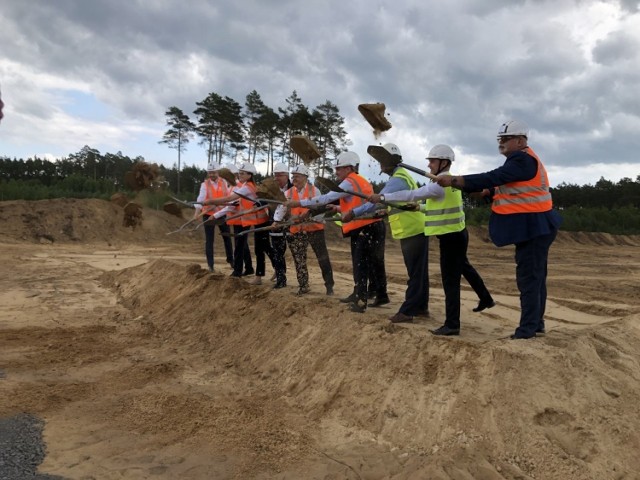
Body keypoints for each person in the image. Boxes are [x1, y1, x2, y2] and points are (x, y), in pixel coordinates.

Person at [437, 120, 561, 339]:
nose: (501, 143)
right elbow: (506, 186)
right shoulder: (522, 161)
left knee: (529, 278)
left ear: (521, 141)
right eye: (500, 139)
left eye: (506, 139)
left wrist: (457, 181)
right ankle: (536, 323)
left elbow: (494, 176)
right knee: (536, 276)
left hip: (535, 226)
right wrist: (487, 193)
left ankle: (527, 330)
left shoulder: (521, 159)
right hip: (537, 225)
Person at [370, 144, 494, 336]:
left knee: (450, 281)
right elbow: (434, 206)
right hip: (457, 234)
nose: (429, 165)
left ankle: (452, 324)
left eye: (432, 161)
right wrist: (418, 208)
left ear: (444, 163)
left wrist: (384, 196)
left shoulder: (439, 185)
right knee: (464, 268)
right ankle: (485, 298)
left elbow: (412, 194)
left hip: (451, 238)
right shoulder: (451, 183)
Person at [287, 151, 387, 313]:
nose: (336, 172)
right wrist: (339, 208)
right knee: (363, 263)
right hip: (366, 225)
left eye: (338, 169)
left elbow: (326, 198)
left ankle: (361, 300)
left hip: (364, 226)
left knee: (360, 264)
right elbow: (355, 203)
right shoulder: (358, 181)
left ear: (348, 168)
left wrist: (299, 203)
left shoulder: (349, 181)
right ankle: (359, 293)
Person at [345, 143, 428, 323]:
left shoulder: (397, 178)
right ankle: (422, 307)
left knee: (415, 273)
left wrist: (354, 212)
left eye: (383, 161)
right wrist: (387, 211)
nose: (381, 166)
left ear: (392, 161)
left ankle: (408, 311)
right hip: (414, 228)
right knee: (419, 272)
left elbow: (378, 200)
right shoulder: (402, 176)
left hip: (412, 229)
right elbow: (401, 201)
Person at [205, 161, 274, 285]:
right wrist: (216, 214)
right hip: (254, 220)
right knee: (260, 249)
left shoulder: (247, 187)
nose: (239, 175)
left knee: (263, 248)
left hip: (260, 220)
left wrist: (210, 201)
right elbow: (233, 204)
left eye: (242, 173)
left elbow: (229, 199)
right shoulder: (244, 186)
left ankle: (279, 269)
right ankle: (264, 273)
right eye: (239, 173)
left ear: (249, 175)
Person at [274, 164, 335, 296]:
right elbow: (281, 208)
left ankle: (329, 286)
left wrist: (308, 215)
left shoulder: (315, 191)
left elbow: (319, 208)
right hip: (297, 230)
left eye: (297, 176)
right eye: (293, 176)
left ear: (305, 177)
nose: (294, 179)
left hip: (314, 229)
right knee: (299, 258)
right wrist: (276, 221)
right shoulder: (288, 193)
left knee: (322, 258)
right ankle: (303, 285)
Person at [194, 162, 234, 272]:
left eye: (213, 172)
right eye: (210, 173)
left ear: (218, 172)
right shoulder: (205, 184)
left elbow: (229, 196)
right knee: (209, 240)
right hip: (208, 215)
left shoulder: (224, 182)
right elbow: (200, 199)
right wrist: (197, 212)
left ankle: (231, 261)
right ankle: (210, 265)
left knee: (227, 238)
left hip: (222, 214)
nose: (211, 174)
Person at [223, 163, 253, 276]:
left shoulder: (239, 186)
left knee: (239, 246)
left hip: (241, 218)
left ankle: (237, 270)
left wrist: (218, 211)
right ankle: (249, 267)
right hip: (236, 219)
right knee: (242, 245)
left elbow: (232, 202)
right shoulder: (232, 186)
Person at [269, 163, 292, 289]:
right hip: (275, 224)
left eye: (279, 175)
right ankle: (281, 279)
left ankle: (303, 283)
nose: (277, 178)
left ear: (286, 176)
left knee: (296, 253)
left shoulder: (293, 188)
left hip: (291, 224)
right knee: (277, 253)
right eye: (275, 175)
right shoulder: (272, 189)